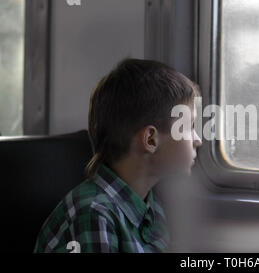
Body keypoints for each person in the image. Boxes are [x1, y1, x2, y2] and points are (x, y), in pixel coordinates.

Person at [34, 59, 202, 253]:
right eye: (188, 127)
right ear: (151, 140)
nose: (198, 140)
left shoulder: (151, 206)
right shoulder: (94, 214)